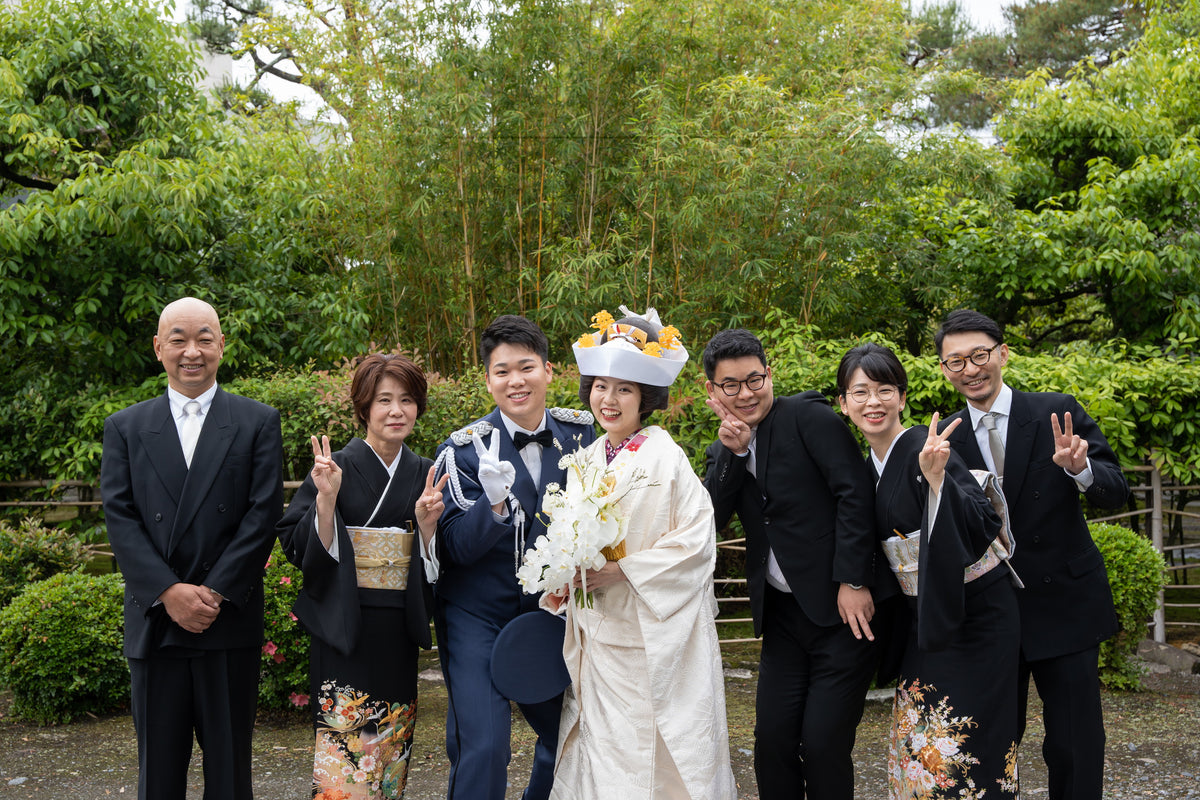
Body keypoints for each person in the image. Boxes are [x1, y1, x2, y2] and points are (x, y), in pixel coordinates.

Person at [536, 308, 737, 799]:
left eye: (625, 389)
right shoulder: (583, 459)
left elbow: (696, 542)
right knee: (600, 749)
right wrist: (564, 574)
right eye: (602, 386)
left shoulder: (666, 457)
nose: (609, 399)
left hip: (651, 639)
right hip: (598, 636)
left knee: (656, 753)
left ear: (645, 398)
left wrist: (622, 570)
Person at [935, 309, 1129, 800]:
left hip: (1065, 601)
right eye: (955, 361)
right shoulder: (945, 438)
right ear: (943, 369)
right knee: (995, 739)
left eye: (979, 355)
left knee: (1074, 742)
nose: (970, 369)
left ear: (1002, 353)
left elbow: (1115, 490)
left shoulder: (1054, 411)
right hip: (992, 613)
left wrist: (1080, 470)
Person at [100, 297, 283, 800]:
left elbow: (262, 514)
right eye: (178, 339)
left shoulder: (257, 421)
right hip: (156, 623)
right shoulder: (126, 427)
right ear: (159, 348)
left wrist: (213, 591)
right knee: (157, 777)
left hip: (226, 621)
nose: (192, 351)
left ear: (222, 345)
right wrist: (168, 591)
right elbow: (120, 517)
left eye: (204, 338)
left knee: (229, 775)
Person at [836, 342, 1020, 799]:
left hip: (977, 612)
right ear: (843, 403)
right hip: (927, 621)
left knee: (971, 743)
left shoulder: (927, 446)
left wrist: (937, 481)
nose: (872, 403)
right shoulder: (865, 468)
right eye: (860, 393)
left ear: (902, 396)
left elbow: (982, 521)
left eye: (883, 390)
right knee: (919, 739)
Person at [701, 328, 878, 800]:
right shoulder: (722, 449)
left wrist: (854, 579)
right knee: (771, 742)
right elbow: (711, 521)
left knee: (822, 745)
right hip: (782, 619)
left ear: (769, 373)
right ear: (712, 390)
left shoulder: (809, 418)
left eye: (754, 379)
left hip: (843, 614)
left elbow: (854, 496)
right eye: (731, 385)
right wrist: (735, 454)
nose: (745, 393)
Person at [432, 314, 597, 800]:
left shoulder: (584, 435)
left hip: (553, 614)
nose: (515, 380)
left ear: (549, 371)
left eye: (526, 367)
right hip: (477, 614)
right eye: (502, 371)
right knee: (483, 746)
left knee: (568, 737)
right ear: (488, 380)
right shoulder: (462, 450)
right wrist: (495, 504)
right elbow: (456, 547)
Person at [275, 354, 449, 799]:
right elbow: (296, 545)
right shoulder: (335, 469)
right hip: (344, 627)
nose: (397, 411)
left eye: (407, 400)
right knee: (345, 754)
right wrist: (327, 501)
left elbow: (439, 564)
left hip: (397, 628)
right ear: (363, 408)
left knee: (390, 754)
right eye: (384, 400)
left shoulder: (424, 472)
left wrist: (427, 529)